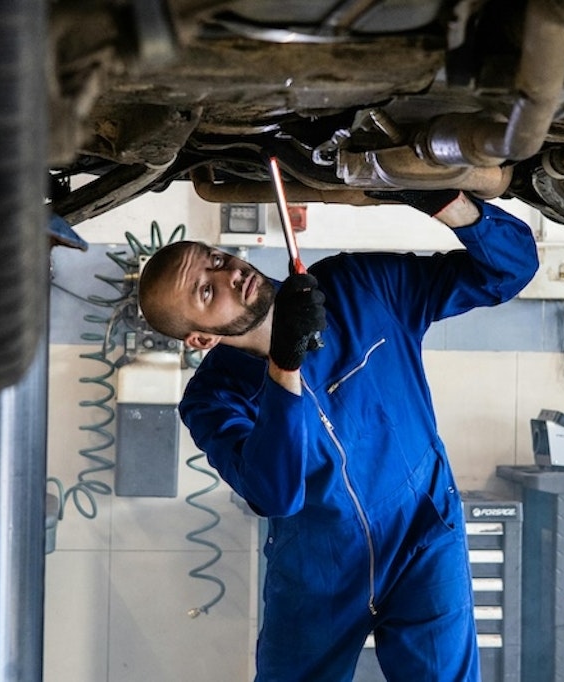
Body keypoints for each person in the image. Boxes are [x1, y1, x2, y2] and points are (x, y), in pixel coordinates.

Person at [138, 189, 538, 681]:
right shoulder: (213, 399)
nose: (229, 274)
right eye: (205, 291)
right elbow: (276, 493)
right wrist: (285, 364)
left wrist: (450, 203)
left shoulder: (358, 287)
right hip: (317, 573)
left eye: (217, 260)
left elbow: (510, 270)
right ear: (202, 338)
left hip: (421, 534)